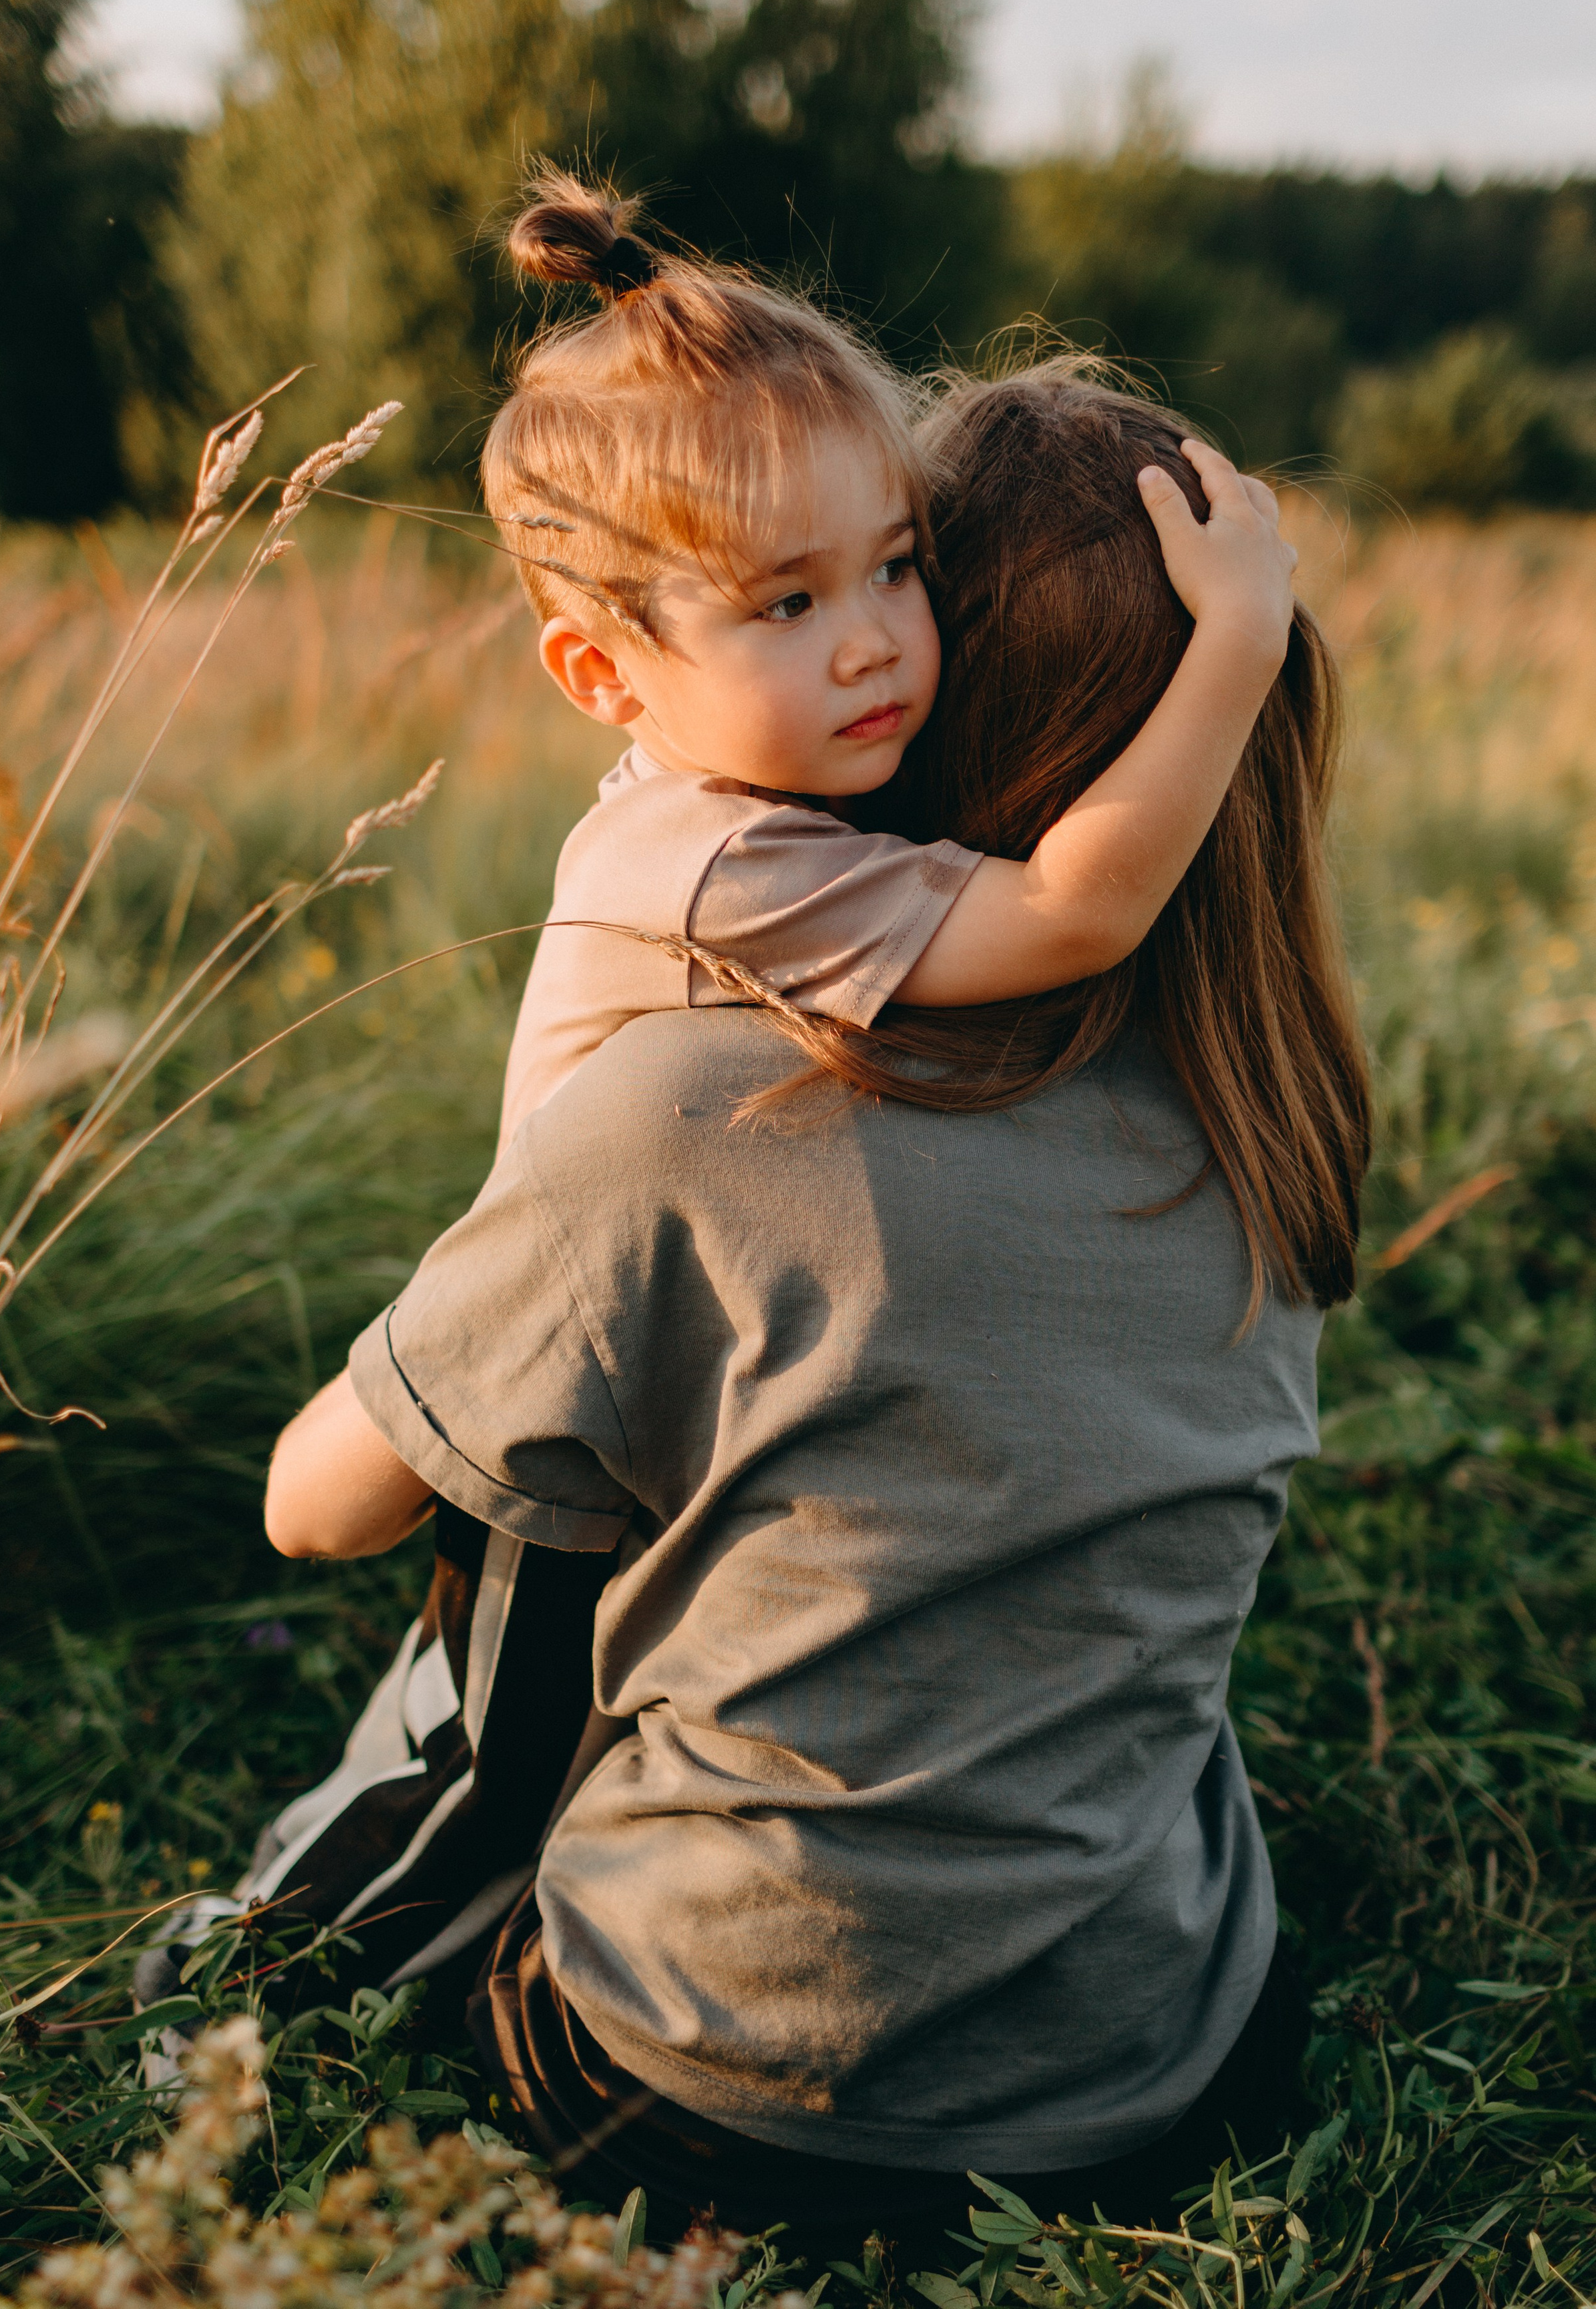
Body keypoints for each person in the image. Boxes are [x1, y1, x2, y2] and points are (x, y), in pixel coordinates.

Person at [262, 370, 1370, 2260]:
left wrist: (502, 1295)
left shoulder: (688, 1110)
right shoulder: (1268, 1129)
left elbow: (324, 1508)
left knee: (538, 1555)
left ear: (959, 703)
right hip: (1162, 2075)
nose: (869, 645)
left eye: (903, 579)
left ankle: (274, 1952)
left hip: (717, 2103)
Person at [483, 173, 1295, 1151]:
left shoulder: (741, 795)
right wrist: (1242, 639)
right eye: (788, 602)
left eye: (895, 566)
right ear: (599, 673)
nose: (872, 644)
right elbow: (1071, 916)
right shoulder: (714, 870)